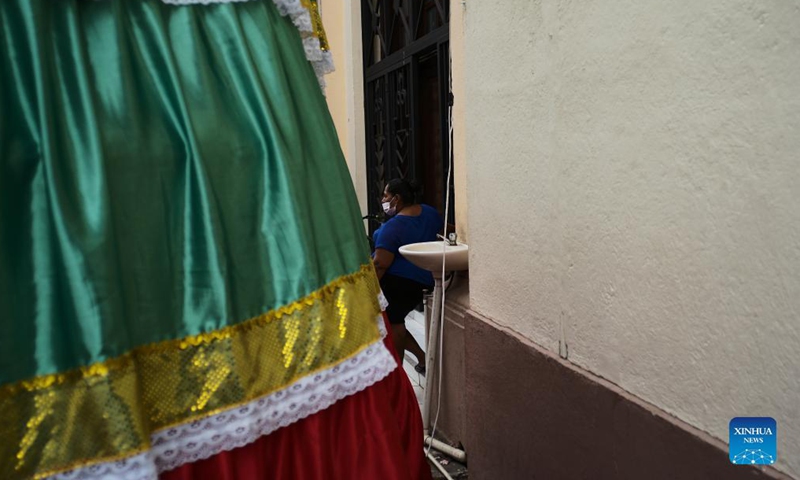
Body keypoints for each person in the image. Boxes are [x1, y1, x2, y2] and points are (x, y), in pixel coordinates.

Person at [0, 1, 432, 479]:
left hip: (395, 290)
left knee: (392, 321)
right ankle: (416, 355)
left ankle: (415, 353)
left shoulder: (389, 229)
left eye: (389, 196)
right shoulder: (425, 214)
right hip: (412, 289)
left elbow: (381, 267)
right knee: (391, 324)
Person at [372, 179, 443, 374]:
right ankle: (422, 358)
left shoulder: (393, 227)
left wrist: (368, 291)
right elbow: (446, 230)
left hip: (396, 284)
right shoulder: (429, 213)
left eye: (385, 196)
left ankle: (398, 372)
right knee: (396, 321)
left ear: (396, 198)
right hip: (423, 280)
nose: (383, 200)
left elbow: (380, 264)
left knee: (393, 323)